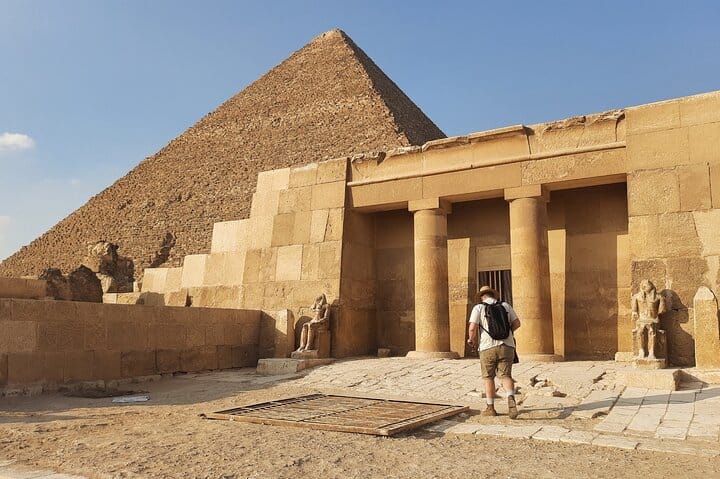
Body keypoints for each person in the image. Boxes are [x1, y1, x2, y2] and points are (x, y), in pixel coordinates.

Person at [467, 285, 521, 418]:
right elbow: (517, 323)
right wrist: (507, 333)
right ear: (493, 295)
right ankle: (511, 398)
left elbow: (472, 328)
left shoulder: (478, 307)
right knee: (506, 375)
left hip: (487, 346)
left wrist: (471, 340)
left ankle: (490, 408)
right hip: (507, 345)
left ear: (482, 297)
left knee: (488, 377)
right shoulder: (505, 306)